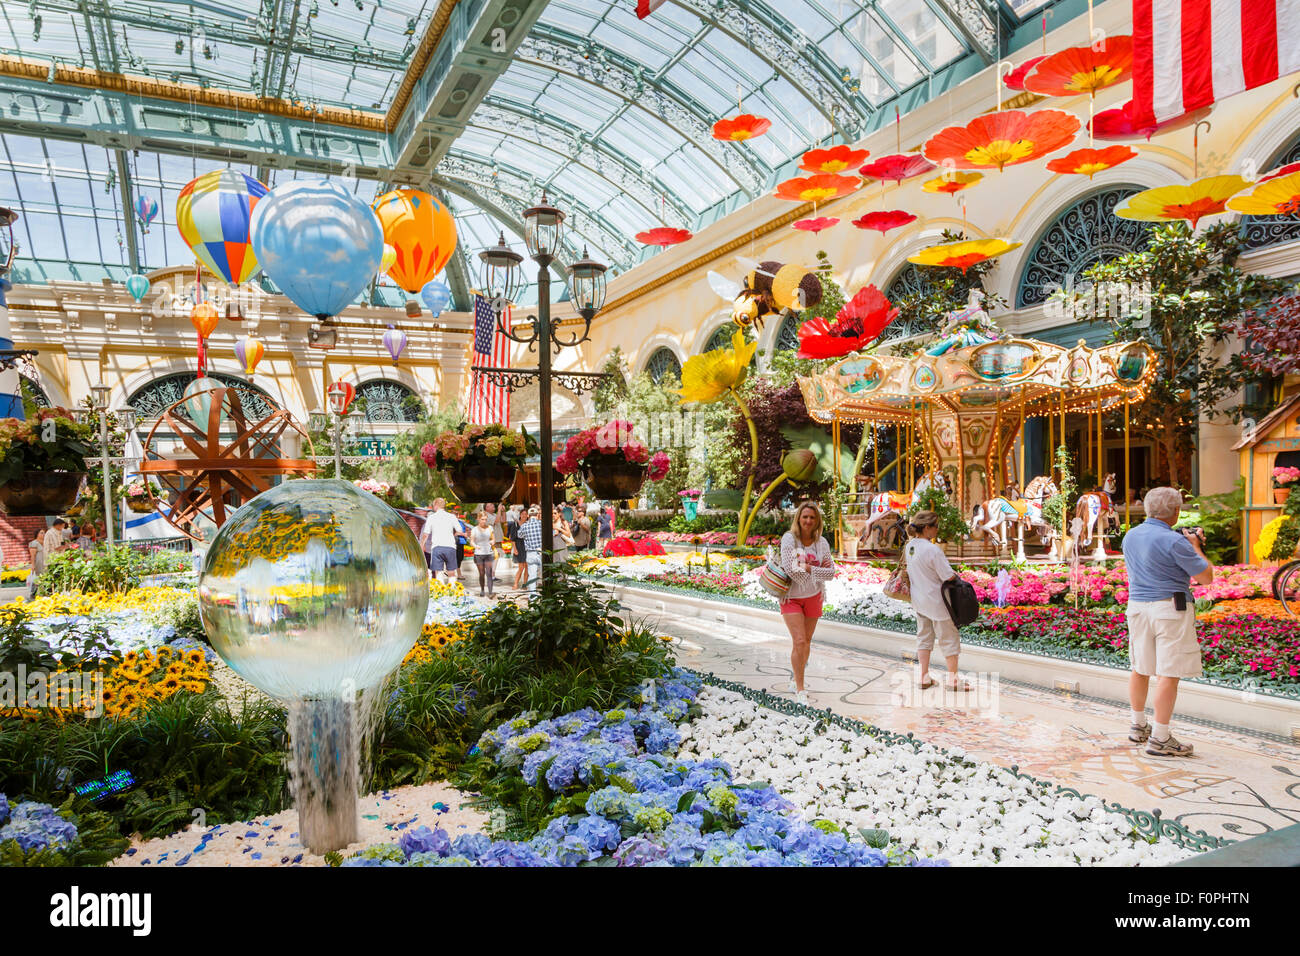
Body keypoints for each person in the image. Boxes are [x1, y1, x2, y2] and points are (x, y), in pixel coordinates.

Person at [1121, 487, 1213, 757]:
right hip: (1170, 608)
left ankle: (1138, 726)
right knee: (1168, 674)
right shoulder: (1176, 541)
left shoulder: (1131, 536)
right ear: (1175, 511)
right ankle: (1161, 738)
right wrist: (1196, 546)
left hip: (1137, 607)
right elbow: (1206, 576)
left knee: (1140, 668)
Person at [904, 510, 971, 692]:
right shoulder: (932, 550)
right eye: (936, 527)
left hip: (919, 600)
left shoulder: (910, 547)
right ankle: (953, 681)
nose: (937, 530)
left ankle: (924, 677)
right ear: (927, 528)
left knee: (924, 638)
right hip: (938, 603)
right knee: (949, 639)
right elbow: (947, 575)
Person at [779, 501, 837, 705]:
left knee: (807, 641)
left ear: (817, 520)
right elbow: (789, 568)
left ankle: (795, 678)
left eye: (812, 517)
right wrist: (811, 570)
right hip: (791, 597)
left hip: (814, 596)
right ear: (798, 518)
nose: (808, 520)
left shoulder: (822, 543)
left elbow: (831, 573)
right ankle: (800, 688)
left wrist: (809, 568)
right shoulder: (789, 539)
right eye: (805, 517)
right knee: (799, 641)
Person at [419, 498, 463, 583]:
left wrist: (422, 545)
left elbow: (425, 534)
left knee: (438, 573)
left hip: (437, 547)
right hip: (450, 547)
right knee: (451, 573)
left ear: (436, 505)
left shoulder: (432, 517)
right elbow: (459, 530)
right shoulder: (452, 517)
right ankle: (452, 592)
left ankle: (441, 594)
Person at [470, 511, 497, 598]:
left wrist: (492, 542)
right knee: (482, 573)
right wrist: (475, 546)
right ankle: (482, 590)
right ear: (478, 519)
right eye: (482, 519)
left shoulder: (490, 528)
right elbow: (471, 541)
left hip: (488, 553)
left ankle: (490, 592)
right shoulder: (474, 529)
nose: (484, 521)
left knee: (489, 572)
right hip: (479, 554)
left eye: (485, 519)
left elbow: (493, 539)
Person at [520, 504, 544, 591]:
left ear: (528, 516)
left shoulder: (524, 526)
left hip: (530, 553)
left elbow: (519, 535)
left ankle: (532, 596)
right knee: (545, 575)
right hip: (541, 552)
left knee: (532, 576)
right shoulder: (542, 524)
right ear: (537, 515)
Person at [508, 506, 527, 590]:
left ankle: (525, 584)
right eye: (522, 514)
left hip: (527, 546)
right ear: (520, 515)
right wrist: (514, 548)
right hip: (519, 546)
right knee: (521, 567)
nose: (524, 515)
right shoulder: (515, 524)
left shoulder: (529, 524)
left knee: (527, 567)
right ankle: (515, 584)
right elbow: (512, 538)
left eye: (526, 514)